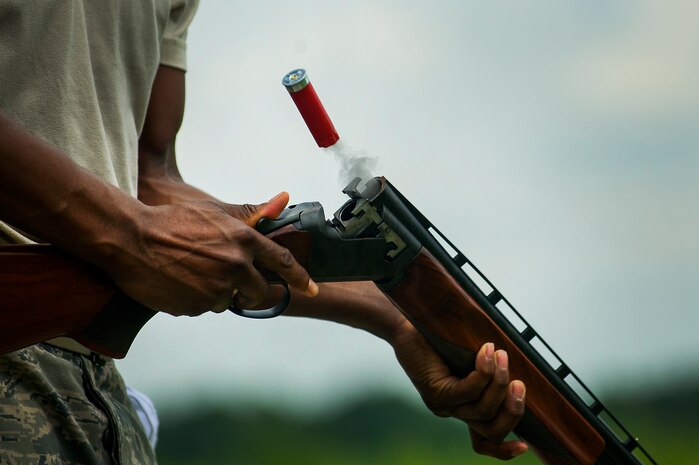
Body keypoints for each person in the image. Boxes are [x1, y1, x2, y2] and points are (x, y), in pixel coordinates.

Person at [0, 1, 527, 463]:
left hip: (97, 390)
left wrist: (400, 317)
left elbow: (148, 179)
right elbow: (139, 220)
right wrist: (135, 238)